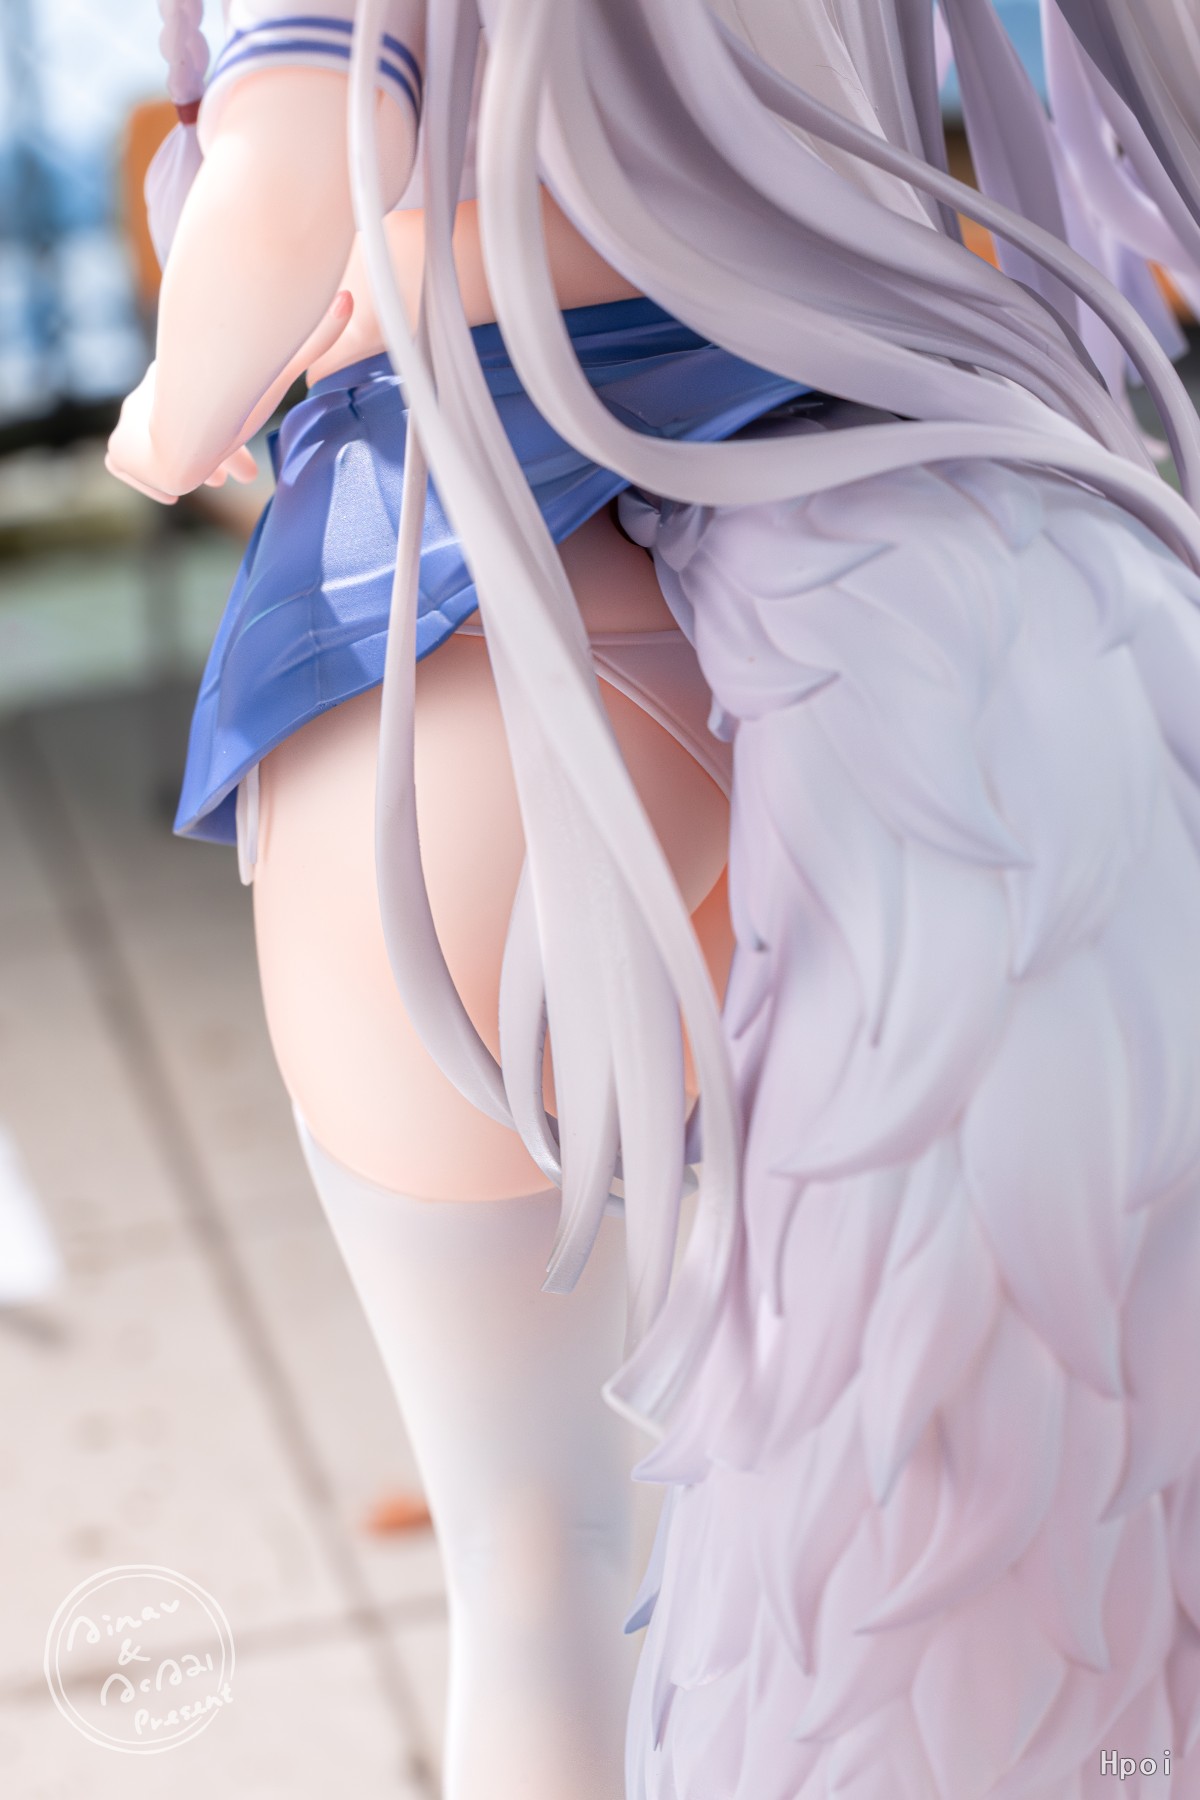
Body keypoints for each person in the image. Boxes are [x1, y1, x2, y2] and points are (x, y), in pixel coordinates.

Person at [106, 1, 1200, 1795]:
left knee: (535, 1564)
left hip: (470, 633)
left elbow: (284, 186)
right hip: (891, 589)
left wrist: (171, 414)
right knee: (853, 1447)